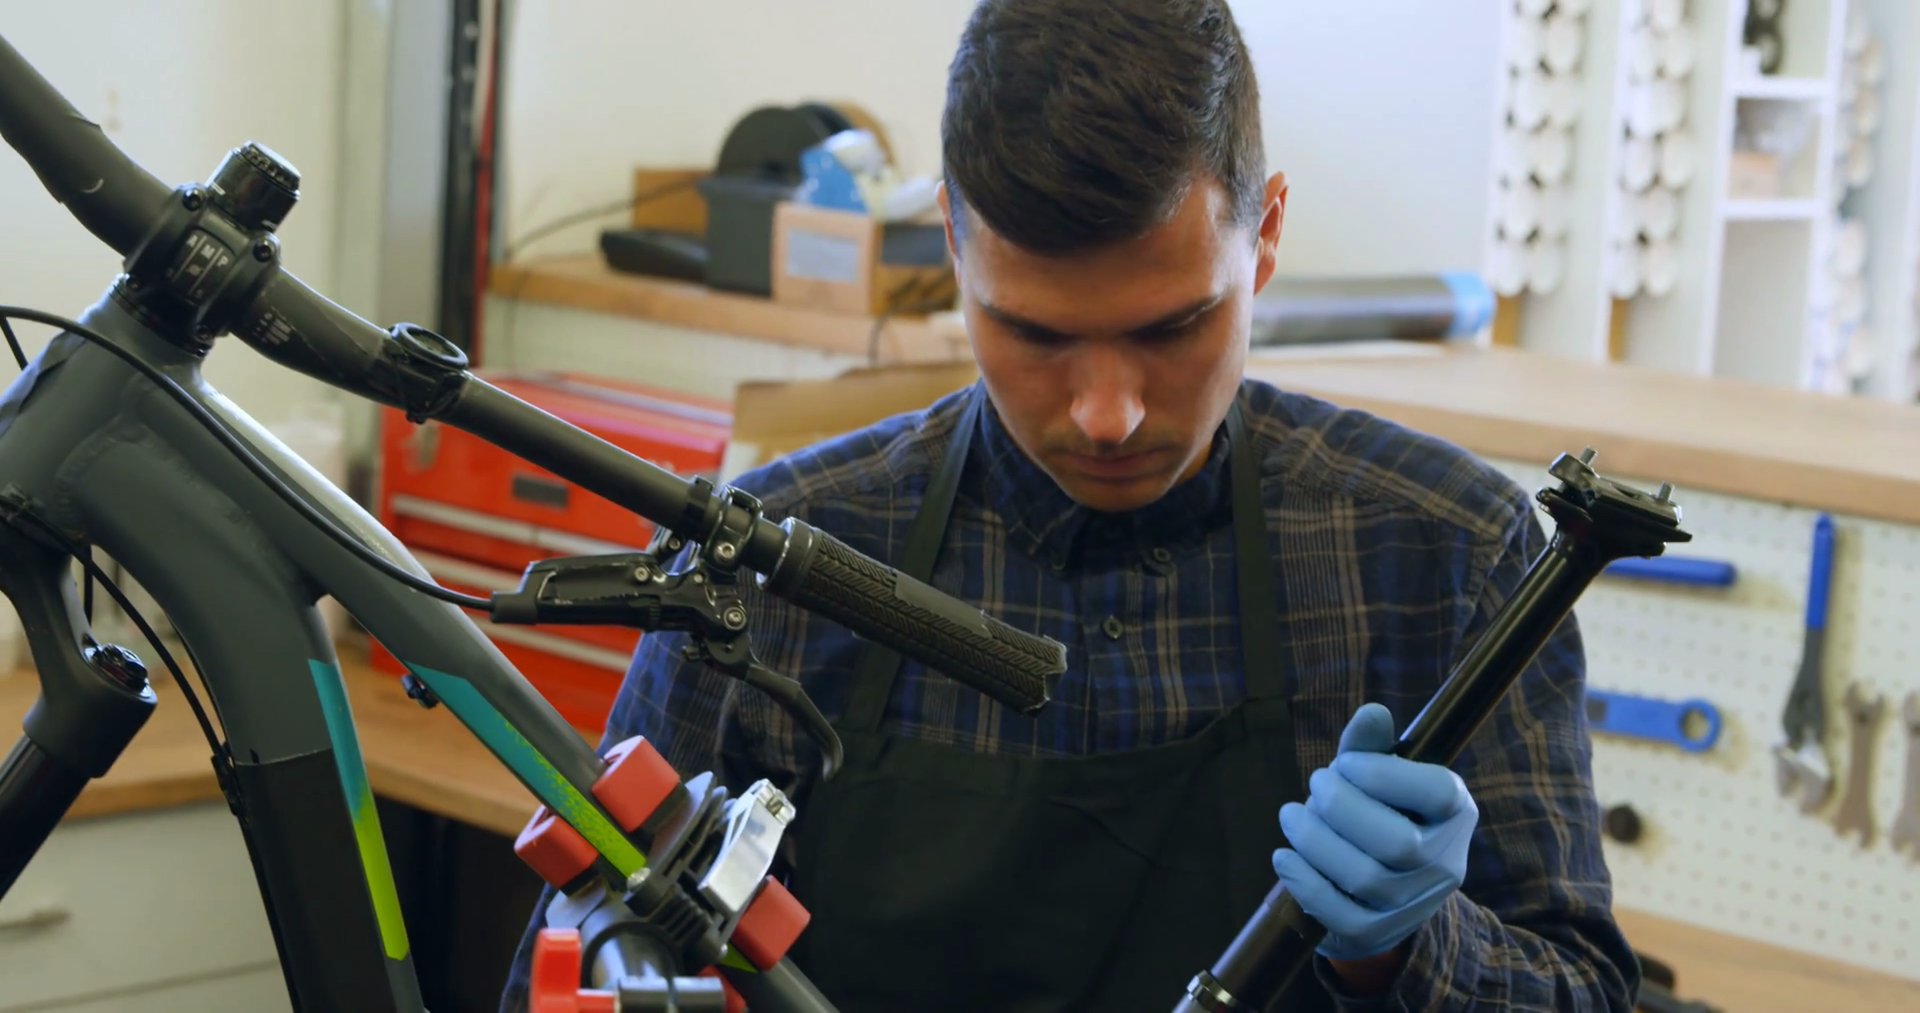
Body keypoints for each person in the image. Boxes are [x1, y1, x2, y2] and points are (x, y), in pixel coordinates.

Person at [501, 1, 1638, 1009]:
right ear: (954, 242)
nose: (1108, 414)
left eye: (1172, 327)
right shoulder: (767, 567)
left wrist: (1407, 954)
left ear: (1267, 233)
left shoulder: (1443, 553)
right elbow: (581, 961)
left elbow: (1580, 987)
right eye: (1037, 333)